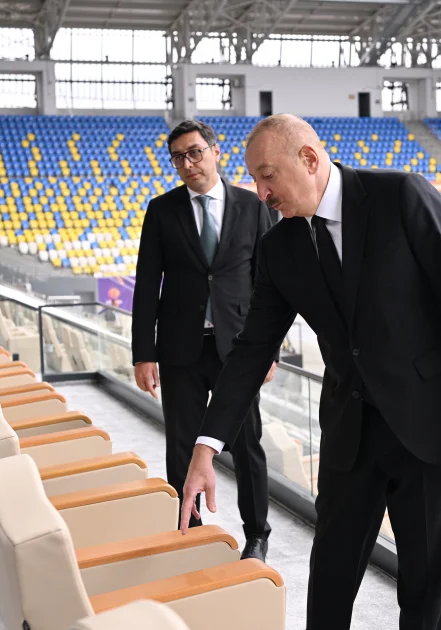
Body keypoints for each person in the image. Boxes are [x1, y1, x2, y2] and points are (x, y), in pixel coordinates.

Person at [180, 114, 441, 629]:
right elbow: (251, 351)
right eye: (256, 180)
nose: (262, 193)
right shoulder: (278, 247)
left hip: (428, 427)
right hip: (349, 435)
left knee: (424, 588)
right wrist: (207, 446)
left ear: (309, 159)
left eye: (268, 176)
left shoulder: (402, 196)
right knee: (330, 578)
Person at [132, 119, 276, 562]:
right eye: (178, 157)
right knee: (182, 445)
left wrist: (269, 350)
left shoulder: (252, 206)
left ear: (216, 152)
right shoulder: (162, 210)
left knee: (247, 446)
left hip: (239, 350)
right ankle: (190, 535)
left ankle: (257, 535)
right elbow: (146, 285)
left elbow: (270, 284)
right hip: (180, 350)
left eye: (195, 152)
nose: (188, 163)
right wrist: (143, 354)